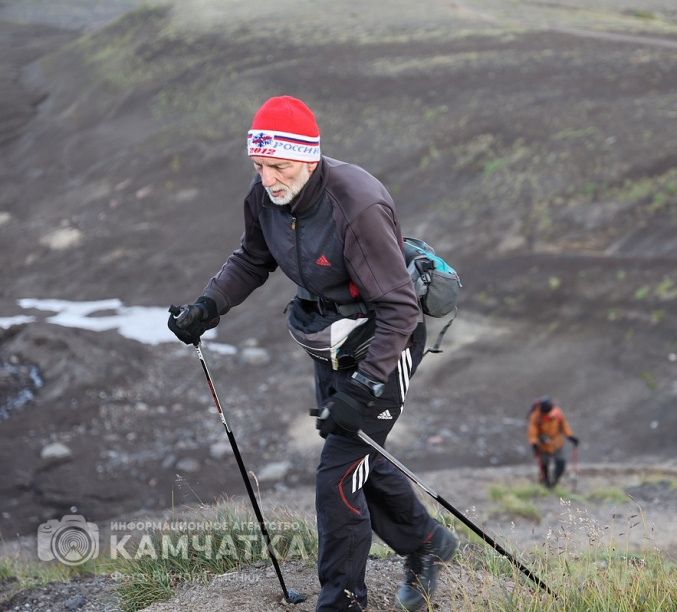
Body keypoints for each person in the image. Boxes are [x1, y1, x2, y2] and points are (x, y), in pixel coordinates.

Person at [167, 95, 457, 612]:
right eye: (259, 166)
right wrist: (208, 307)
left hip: (383, 344)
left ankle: (343, 601)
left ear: (308, 157)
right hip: (331, 341)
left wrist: (366, 387)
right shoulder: (264, 196)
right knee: (357, 453)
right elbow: (253, 259)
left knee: (338, 474)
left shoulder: (356, 204)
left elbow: (399, 310)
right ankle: (428, 544)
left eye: (278, 166)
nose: (268, 179)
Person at [527, 396, 578, 488]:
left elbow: (564, 425)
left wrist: (570, 437)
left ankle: (554, 481)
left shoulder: (557, 413)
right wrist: (534, 442)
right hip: (542, 445)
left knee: (561, 463)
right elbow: (532, 431)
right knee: (544, 464)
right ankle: (545, 482)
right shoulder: (535, 416)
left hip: (556, 443)